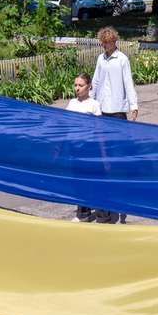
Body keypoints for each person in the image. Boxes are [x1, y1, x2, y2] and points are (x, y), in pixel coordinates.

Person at [65, 73, 104, 223]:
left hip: (88, 149)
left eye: (80, 85)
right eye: (75, 85)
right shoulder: (72, 103)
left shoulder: (93, 105)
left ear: (89, 87)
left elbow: (99, 129)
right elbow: (64, 124)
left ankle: (102, 213)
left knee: (92, 181)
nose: (77, 88)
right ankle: (83, 212)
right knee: (78, 181)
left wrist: (102, 151)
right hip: (75, 149)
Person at [90, 27, 139, 121]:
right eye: (102, 42)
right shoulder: (101, 58)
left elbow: (128, 83)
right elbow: (95, 81)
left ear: (114, 42)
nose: (104, 45)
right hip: (101, 106)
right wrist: (90, 99)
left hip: (117, 109)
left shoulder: (122, 59)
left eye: (106, 42)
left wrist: (134, 105)